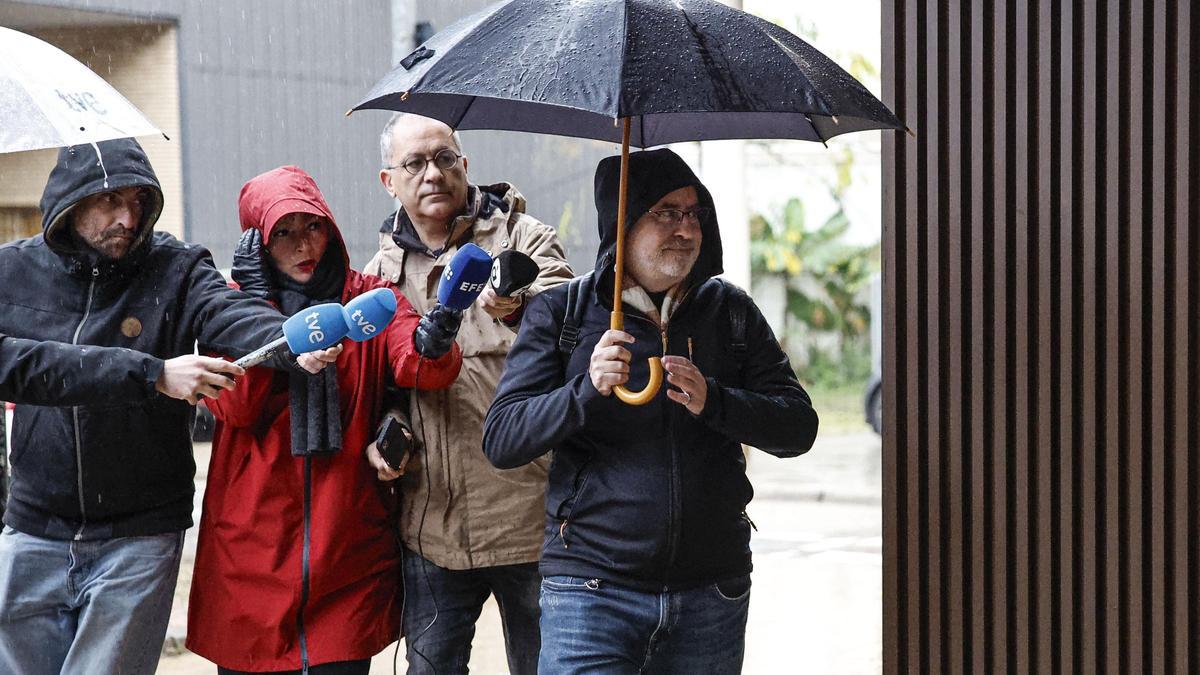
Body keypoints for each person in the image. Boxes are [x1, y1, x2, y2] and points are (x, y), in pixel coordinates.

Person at [0, 138, 338, 674]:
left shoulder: (176, 267)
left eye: (139, 201)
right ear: (71, 202)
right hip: (33, 524)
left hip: (139, 532)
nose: (128, 218)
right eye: (111, 201)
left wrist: (292, 341)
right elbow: (22, 365)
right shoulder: (12, 271)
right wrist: (151, 373)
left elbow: (227, 310)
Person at [482, 148, 820, 674]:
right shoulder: (562, 313)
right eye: (666, 212)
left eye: (693, 213)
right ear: (622, 223)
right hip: (590, 591)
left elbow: (798, 426)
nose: (685, 229)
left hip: (712, 592)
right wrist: (585, 390)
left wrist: (716, 401)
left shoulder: (730, 312)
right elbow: (502, 439)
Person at [185, 165, 464, 674]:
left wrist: (436, 338)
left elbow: (417, 364)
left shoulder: (368, 298)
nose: (302, 246)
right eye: (283, 233)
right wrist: (272, 334)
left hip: (347, 553)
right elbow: (235, 405)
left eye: (312, 227)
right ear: (257, 244)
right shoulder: (229, 306)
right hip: (251, 555)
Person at [363, 112, 572, 674]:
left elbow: (568, 318)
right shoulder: (377, 276)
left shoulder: (523, 237)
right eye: (414, 163)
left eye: (444, 158)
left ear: (465, 165)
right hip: (432, 526)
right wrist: (382, 438)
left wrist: (516, 297)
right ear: (390, 181)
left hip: (532, 516)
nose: (432, 173)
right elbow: (372, 386)